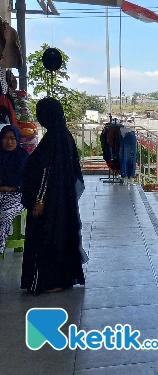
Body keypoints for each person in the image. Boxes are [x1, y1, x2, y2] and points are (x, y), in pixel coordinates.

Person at [21, 97, 85, 294]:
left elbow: (46, 171)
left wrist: (39, 199)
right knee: (61, 236)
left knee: (47, 237)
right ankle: (62, 279)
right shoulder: (64, 136)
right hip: (61, 200)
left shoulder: (53, 139)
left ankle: (50, 280)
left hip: (49, 202)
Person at [0, 124, 29, 255]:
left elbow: (19, 181)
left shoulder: (23, 156)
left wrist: (6, 185)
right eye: (5, 138)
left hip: (18, 196)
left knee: (4, 215)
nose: (9, 142)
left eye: (12, 138)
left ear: (18, 140)